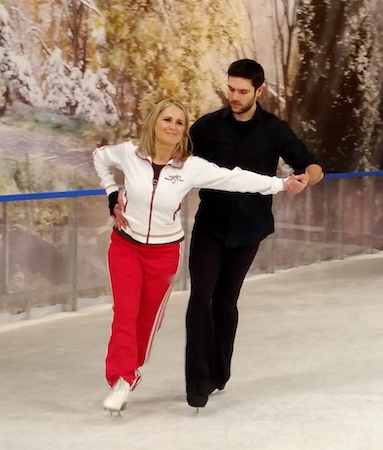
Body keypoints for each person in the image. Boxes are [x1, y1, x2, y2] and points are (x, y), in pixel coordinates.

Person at [93, 98, 308, 414]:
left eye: (179, 123)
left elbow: (236, 178)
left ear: (184, 132)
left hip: (164, 253)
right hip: (125, 245)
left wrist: (281, 184)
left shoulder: (190, 168)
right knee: (124, 314)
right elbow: (99, 157)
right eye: (167, 119)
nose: (172, 126)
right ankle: (122, 380)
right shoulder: (129, 153)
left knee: (146, 319)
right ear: (154, 122)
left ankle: (130, 369)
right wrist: (112, 192)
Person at [185, 59, 324, 409]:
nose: (234, 96)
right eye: (231, 89)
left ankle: (219, 372)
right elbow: (177, 161)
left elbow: (313, 166)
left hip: (249, 228)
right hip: (210, 224)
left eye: (242, 91)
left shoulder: (275, 130)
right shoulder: (206, 127)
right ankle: (197, 382)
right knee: (200, 297)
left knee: (225, 300)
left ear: (258, 91)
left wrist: (305, 179)